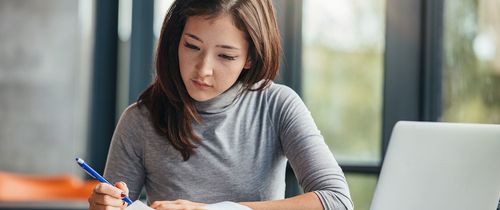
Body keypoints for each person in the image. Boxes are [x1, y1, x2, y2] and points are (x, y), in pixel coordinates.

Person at [87, 0, 353, 209]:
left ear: (250, 57)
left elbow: (336, 202)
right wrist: (104, 206)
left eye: (226, 56)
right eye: (192, 46)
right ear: (176, 40)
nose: (203, 70)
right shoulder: (140, 120)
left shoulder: (277, 106)